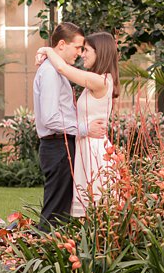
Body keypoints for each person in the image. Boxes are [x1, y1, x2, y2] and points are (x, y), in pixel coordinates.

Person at [39, 30, 118, 217]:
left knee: (96, 207)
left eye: (87, 50)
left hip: (94, 149)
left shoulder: (99, 80)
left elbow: (63, 69)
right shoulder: (96, 80)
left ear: (100, 53)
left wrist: (47, 51)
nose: (83, 55)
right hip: (85, 144)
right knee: (88, 209)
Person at [33, 21, 83, 229]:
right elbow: (51, 118)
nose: (79, 53)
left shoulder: (55, 70)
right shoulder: (51, 73)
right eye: (77, 47)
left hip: (60, 145)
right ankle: (42, 253)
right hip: (58, 146)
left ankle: (48, 252)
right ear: (62, 44)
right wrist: (84, 129)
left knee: (60, 210)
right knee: (55, 213)